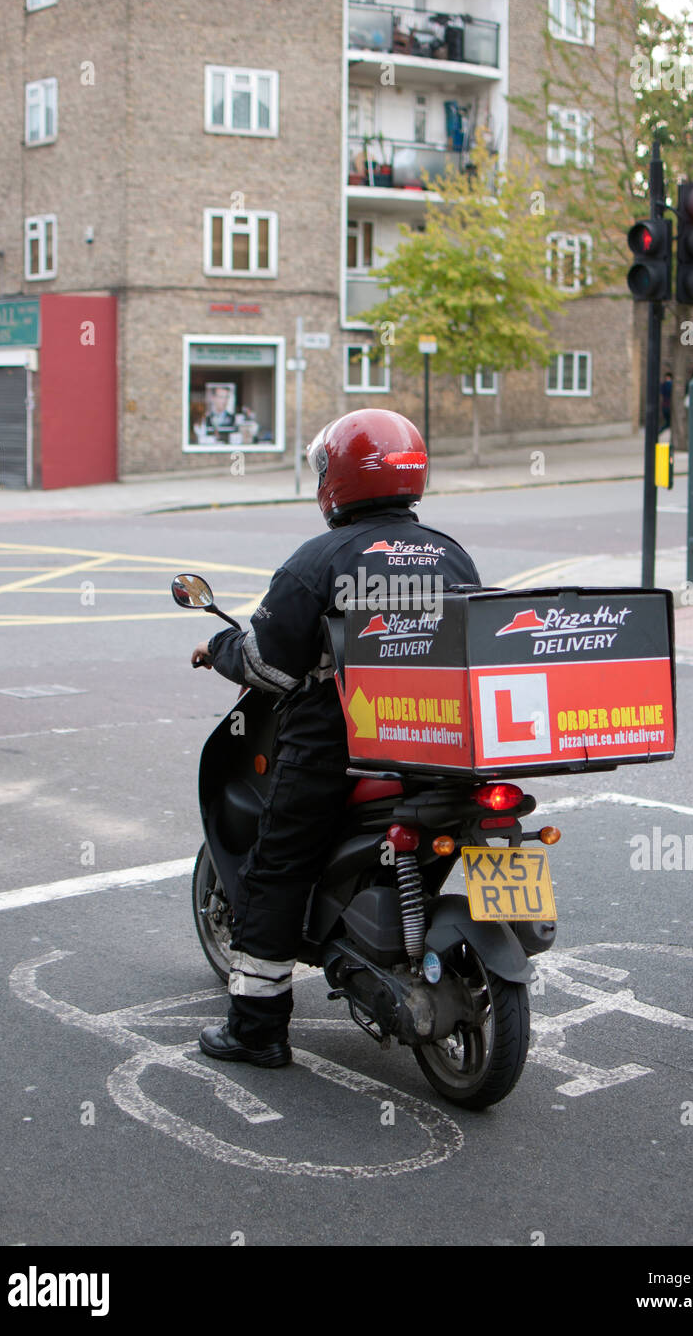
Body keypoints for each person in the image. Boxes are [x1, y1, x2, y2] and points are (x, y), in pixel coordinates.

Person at [192, 408, 482, 1067]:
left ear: (336, 480)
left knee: (277, 866)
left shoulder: (318, 560)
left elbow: (269, 663)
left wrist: (220, 647)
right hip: (436, 748)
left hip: (336, 749)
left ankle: (257, 1028)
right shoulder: (447, 552)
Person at [659, 370, 673, 436]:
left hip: (665, 405)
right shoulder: (670, 384)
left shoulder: (663, 384)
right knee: (668, 423)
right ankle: (659, 432)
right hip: (668, 406)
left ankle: (659, 432)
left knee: (668, 423)